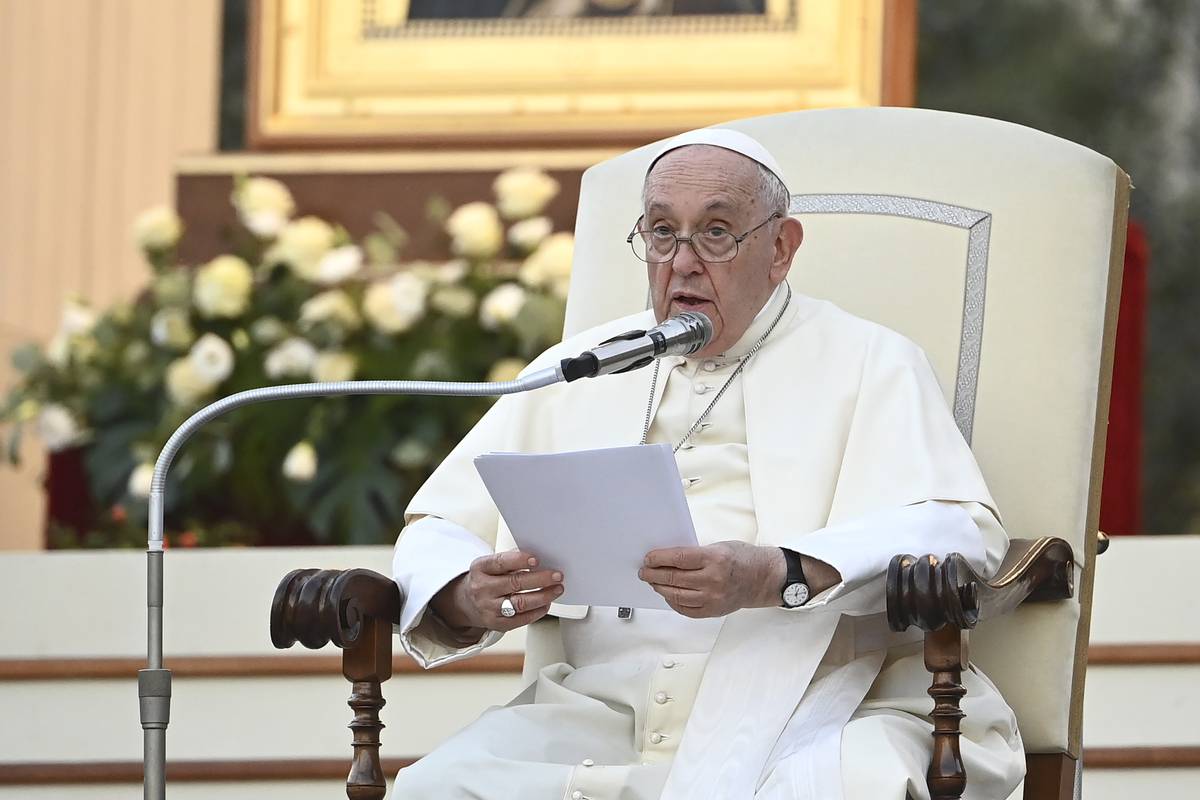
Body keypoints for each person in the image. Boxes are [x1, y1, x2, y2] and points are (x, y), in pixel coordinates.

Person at [390, 128, 1025, 799]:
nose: (682, 263)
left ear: (780, 249)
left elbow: (960, 532)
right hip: (602, 711)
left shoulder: (872, 360)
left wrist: (776, 573)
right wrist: (466, 592)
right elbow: (439, 523)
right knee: (438, 787)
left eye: (716, 232)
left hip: (828, 698)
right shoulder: (578, 368)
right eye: (662, 232)